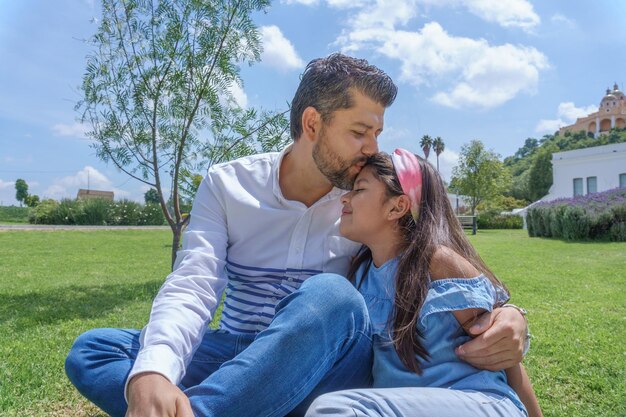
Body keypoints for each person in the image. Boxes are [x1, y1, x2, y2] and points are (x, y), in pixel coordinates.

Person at [65, 54, 529, 417]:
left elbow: (438, 259)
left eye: (377, 133)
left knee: (332, 295)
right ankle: (249, 404)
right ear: (313, 124)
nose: (373, 148)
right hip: (239, 354)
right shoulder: (229, 185)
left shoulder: (361, 206)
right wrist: (154, 372)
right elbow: (194, 282)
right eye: (360, 132)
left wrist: (512, 317)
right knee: (96, 350)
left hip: (328, 366)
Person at [306, 149, 542, 417]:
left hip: (477, 401)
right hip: (402, 407)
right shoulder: (360, 273)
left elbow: (504, 352)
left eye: (359, 190)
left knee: (334, 409)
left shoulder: (438, 263)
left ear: (397, 206)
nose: (345, 198)